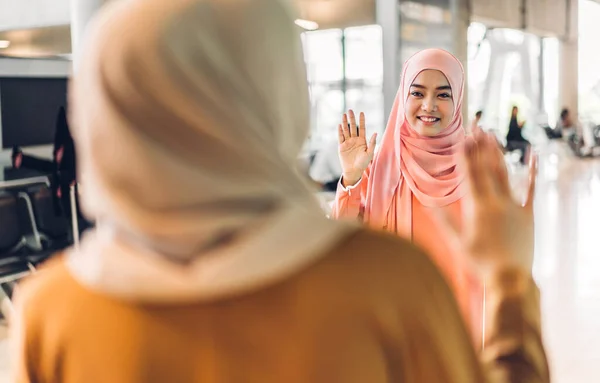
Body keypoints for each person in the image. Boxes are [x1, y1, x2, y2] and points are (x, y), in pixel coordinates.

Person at [9, 1, 548, 382]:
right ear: (279, 95)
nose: (429, 106)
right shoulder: (388, 281)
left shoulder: (51, 316)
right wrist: (508, 279)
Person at [331, 49, 484, 342]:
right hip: (392, 320)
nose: (429, 106)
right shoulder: (382, 166)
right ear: (403, 96)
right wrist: (351, 178)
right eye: (417, 93)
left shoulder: (476, 167)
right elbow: (345, 240)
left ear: (458, 100)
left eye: (443, 95)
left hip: (457, 322)